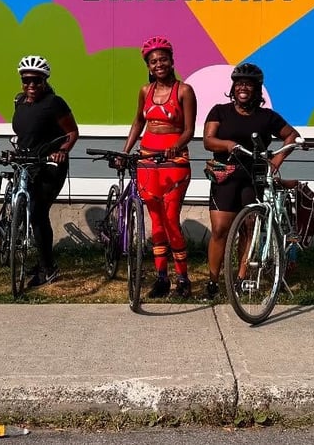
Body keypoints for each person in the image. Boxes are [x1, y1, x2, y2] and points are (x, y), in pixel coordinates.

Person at [202, 63, 301, 302]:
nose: (243, 87)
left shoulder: (267, 117)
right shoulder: (220, 111)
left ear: (258, 90)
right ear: (233, 88)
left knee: (248, 229)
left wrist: (276, 160)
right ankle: (213, 281)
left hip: (253, 178)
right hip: (226, 176)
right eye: (239, 84)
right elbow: (208, 140)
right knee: (220, 230)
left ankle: (241, 278)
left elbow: (292, 135)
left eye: (249, 84)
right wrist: (227, 145)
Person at [120, 36, 198, 299]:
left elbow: (189, 129)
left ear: (172, 61)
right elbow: (137, 124)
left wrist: (177, 144)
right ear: (148, 66)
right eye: (153, 61)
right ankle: (161, 277)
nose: (159, 64)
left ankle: (183, 278)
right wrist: (125, 151)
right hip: (147, 161)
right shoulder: (145, 91)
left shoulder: (184, 91)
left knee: (171, 221)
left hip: (174, 164)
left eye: (163, 59)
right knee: (155, 223)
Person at [12, 55, 79, 288]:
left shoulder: (55, 103)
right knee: (24, 214)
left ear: (45, 81)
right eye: (27, 80)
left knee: (39, 213)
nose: (31, 85)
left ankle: (48, 269)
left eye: (37, 81)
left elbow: (72, 133)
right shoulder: (19, 101)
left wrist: (62, 151)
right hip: (26, 163)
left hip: (50, 166)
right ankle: (35, 258)